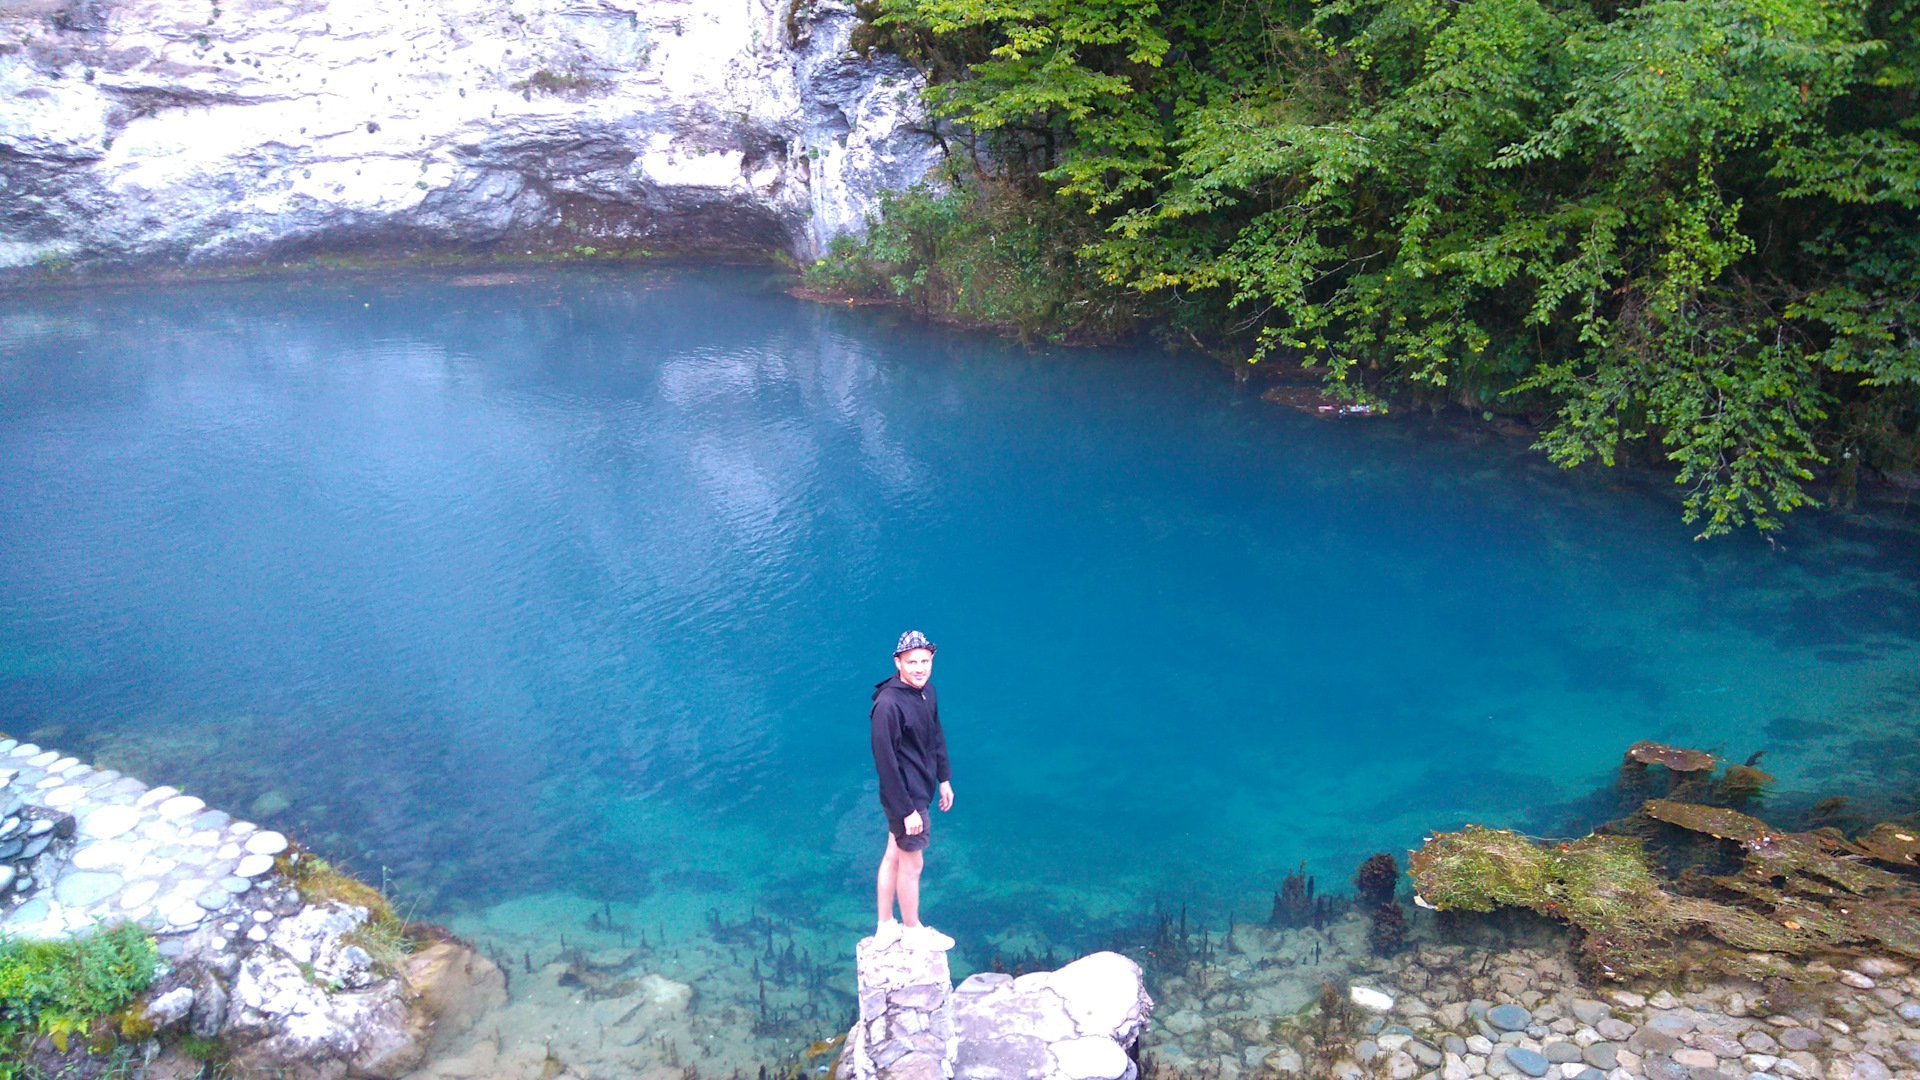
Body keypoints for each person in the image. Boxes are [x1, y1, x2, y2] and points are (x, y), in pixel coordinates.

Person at [870, 629, 956, 951]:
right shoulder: (889, 705)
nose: (919, 667)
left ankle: (885, 927)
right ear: (898, 663)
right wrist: (907, 811)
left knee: (894, 854)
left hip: (920, 788)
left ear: (931, 660)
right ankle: (912, 930)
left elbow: (936, 736)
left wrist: (944, 778)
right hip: (905, 797)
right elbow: (886, 762)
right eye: (911, 662)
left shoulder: (926, 693)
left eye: (924, 661)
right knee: (912, 864)